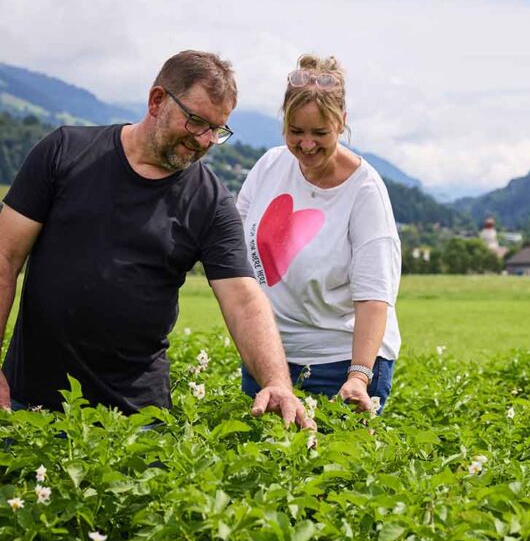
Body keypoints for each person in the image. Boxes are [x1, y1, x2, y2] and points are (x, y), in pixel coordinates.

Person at [0, 50, 312, 428]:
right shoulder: (65, 152)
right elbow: (5, 256)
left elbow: (243, 298)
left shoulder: (210, 201)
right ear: (157, 100)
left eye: (217, 130)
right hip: (30, 401)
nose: (204, 140)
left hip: (138, 417)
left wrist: (278, 382)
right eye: (196, 121)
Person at [236, 54, 401, 413]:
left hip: (340, 364)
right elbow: (232, 245)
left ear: (341, 123)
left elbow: (374, 296)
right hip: (268, 359)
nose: (306, 144)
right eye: (296, 132)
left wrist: (358, 377)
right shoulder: (269, 166)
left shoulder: (364, 191)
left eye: (319, 133)